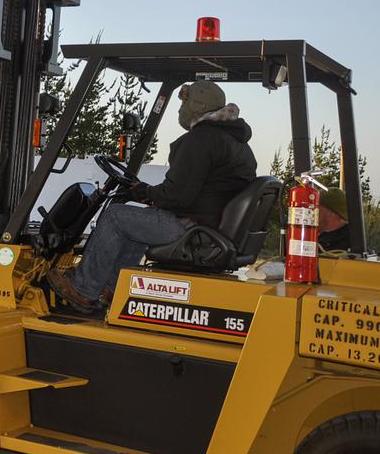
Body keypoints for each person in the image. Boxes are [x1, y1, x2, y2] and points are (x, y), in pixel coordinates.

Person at [48, 80, 257, 313]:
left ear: (198, 107)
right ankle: (111, 288)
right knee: (139, 219)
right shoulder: (236, 143)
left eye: (184, 103)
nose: (180, 109)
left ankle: (83, 288)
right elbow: (198, 189)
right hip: (211, 226)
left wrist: (146, 193)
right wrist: (147, 192)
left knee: (116, 216)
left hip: (194, 229)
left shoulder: (200, 140)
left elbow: (179, 196)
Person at [317, 186, 351, 252]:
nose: (312, 212)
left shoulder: (349, 245)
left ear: (332, 213)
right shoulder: (320, 239)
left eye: (317, 208)